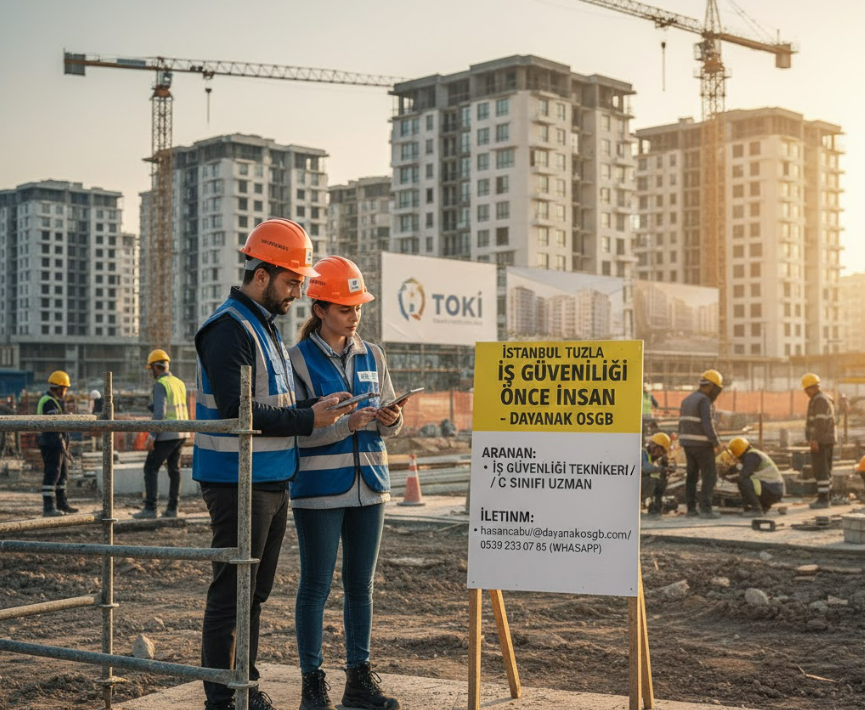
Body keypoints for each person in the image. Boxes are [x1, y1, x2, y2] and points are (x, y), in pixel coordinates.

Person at [193, 219, 351, 710]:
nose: (297, 293)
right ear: (260, 275)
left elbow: (272, 401)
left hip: (269, 479)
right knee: (233, 591)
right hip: (235, 481)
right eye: (291, 282)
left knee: (253, 592)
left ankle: (245, 684)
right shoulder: (229, 329)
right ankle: (224, 697)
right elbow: (235, 411)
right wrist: (309, 418)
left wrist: (319, 410)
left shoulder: (264, 329)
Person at [288, 256, 403, 710]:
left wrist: (391, 419)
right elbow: (296, 428)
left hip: (370, 485)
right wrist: (346, 425)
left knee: (361, 586)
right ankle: (312, 684)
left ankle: (359, 680)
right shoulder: (294, 360)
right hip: (320, 490)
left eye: (358, 308)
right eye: (344, 308)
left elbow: (388, 420)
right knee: (315, 586)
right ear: (319, 309)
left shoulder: (373, 354)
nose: (354, 317)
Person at [132, 349, 189, 519]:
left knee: (150, 468)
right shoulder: (179, 382)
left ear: (156, 368)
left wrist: (152, 436)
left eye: (151, 370)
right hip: (181, 433)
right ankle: (173, 508)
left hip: (166, 434)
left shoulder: (160, 384)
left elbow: (160, 414)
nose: (151, 373)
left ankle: (151, 508)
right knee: (174, 470)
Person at [678, 369, 724, 519]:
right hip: (702, 445)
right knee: (710, 476)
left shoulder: (687, 399)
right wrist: (716, 442)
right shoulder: (704, 400)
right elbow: (707, 423)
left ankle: (691, 509)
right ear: (711, 386)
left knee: (691, 476)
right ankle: (706, 509)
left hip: (687, 444)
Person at [37, 370, 77, 517]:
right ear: (60, 388)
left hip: (58, 442)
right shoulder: (48, 401)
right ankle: (48, 507)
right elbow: (53, 421)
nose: (66, 391)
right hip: (50, 442)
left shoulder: (55, 401)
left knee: (62, 474)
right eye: (65, 388)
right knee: (52, 473)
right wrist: (67, 417)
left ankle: (62, 503)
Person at [801, 373, 836, 509]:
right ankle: (828, 496)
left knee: (821, 470)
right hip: (827, 439)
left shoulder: (819, 400)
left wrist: (814, 439)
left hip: (821, 440)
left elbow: (820, 422)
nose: (806, 393)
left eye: (806, 390)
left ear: (811, 388)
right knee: (826, 470)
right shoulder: (824, 398)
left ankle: (823, 500)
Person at [727, 437, 785, 516]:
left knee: (744, 482)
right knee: (748, 481)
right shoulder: (753, 454)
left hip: (772, 489)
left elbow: (743, 475)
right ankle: (763, 507)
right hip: (773, 488)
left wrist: (729, 478)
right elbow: (741, 470)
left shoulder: (752, 456)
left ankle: (756, 509)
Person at [641, 432, 673, 518]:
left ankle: (656, 506)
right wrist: (660, 469)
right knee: (651, 481)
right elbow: (644, 468)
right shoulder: (642, 453)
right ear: (654, 446)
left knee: (660, 481)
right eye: (661, 451)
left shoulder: (653, 459)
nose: (661, 454)